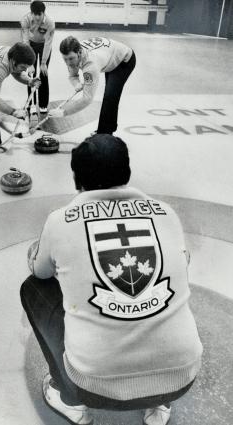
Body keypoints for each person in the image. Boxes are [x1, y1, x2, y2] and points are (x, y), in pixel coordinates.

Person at [21, 134, 203, 425]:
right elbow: (184, 263)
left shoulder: (61, 220)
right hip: (181, 379)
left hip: (91, 386)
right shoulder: (166, 213)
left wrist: (44, 251)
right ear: (127, 173)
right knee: (168, 297)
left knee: (33, 289)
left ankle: (69, 400)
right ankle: (159, 404)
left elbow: (40, 271)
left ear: (77, 180)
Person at [48, 36, 136, 135]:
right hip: (110, 55)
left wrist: (64, 112)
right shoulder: (73, 53)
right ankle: (109, 127)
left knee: (110, 97)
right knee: (110, 95)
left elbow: (87, 99)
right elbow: (73, 75)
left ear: (80, 52)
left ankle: (104, 133)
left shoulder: (90, 66)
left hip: (124, 60)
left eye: (71, 59)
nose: (68, 63)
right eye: (65, 59)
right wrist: (76, 83)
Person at [21, 0, 55, 114]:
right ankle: (31, 103)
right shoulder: (25, 20)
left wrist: (43, 63)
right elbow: (25, 41)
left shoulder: (50, 22)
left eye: (39, 14)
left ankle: (43, 104)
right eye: (34, 14)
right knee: (30, 75)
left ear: (43, 13)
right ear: (31, 13)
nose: (36, 17)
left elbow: (48, 43)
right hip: (31, 45)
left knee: (43, 74)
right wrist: (30, 63)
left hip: (44, 46)